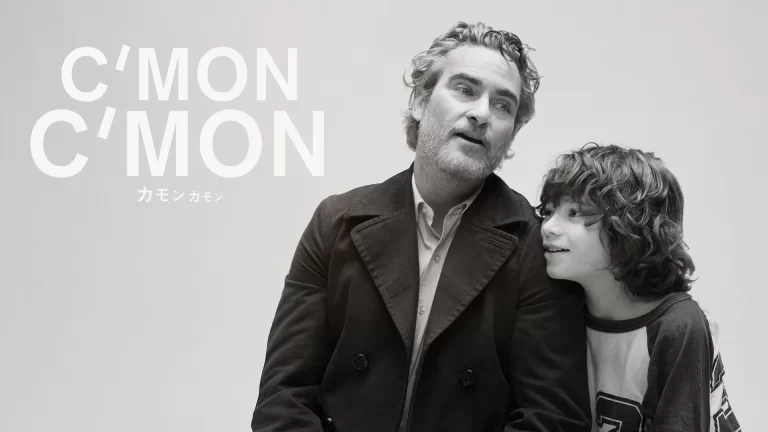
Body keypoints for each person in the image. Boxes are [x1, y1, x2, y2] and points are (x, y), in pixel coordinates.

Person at [252, 21, 591, 432]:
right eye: (465, 89)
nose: (482, 113)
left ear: (513, 133)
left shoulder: (535, 245)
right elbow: (282, 398)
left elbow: (551, 420)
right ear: (419, 101)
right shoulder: (335, 222)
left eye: (503, 105)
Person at [538, 143, 741, 431]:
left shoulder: (679, 325)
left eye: (574, 213)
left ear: (630, 226)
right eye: (548, 212)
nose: (548, 228)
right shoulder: (557, 308)